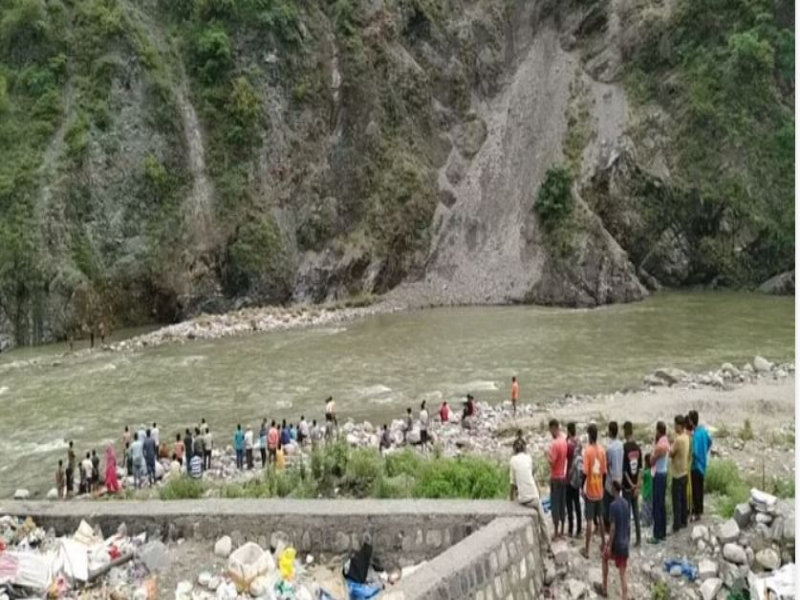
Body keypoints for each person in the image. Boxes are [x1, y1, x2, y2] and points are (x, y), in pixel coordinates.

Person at [509, 432, 550, 544]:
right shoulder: (528, 458)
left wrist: (511, 499)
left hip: (523, 499)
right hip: (534, 497)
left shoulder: (512, 460)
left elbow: (512, 483)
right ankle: (548, 545)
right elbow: (530, 476)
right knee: (543, 521)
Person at [599, 481, 630, 600]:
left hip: (617, 545)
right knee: (622, 574)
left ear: (613, 489)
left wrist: (609, 545)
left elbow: (612, 528)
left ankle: (604, 588)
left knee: (604, 556)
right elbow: (627, 526)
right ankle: (625, 596)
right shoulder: (626, 504)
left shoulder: (613, 506)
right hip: (625, 545)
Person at [581, 423, 607, 560]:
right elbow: (604, 472)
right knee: (601, 517)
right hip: (599, 490)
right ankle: (603, 544)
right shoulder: (602, 451)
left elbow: (585, 472)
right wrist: (601, 486)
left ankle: (586, 549)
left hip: (590, 490)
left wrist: (581, 486)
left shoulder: (588, 451)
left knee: (590, 520)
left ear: (589, 435)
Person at [622, 421, 643, 546]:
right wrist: (637, 485)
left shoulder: (624, 448)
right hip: (636, 487)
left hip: (627, 487)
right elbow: (640, 469)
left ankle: (628, 539)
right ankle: (639, 539)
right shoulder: (638, 448)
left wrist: (630, 484)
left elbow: (624, 471)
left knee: (627, 513)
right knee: (636, 513)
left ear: (625, 431)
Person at [547, 419, 568, 540]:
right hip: (563, 476)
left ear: (554, 428)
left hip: (555, 477)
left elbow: (552, 463)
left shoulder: (555, 444)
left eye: (550, 430)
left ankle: (556, 532)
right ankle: (562, 530)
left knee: (555, 504)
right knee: (562, 503)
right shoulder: (564, 440)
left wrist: (547, 456)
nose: (550, 432)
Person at [689, 410, 712, 520]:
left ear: (691, 421)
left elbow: (693, 452)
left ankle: (697, 512)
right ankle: (700, 509)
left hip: (696, 465)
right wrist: (705, 451)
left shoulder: (696, 435)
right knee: (700, 488)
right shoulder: (703, 431)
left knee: (696, 489)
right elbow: (710, 441)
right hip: (703, 464)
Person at [649, 421, 669, 543]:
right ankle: (663, 532)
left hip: (658, 475)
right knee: (661, 504)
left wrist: (653, 453)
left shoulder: (660, 446)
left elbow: (652, 461)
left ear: (658, 431)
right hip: (664, 473)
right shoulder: (666, 441)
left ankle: (657, 535)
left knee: (657, 504)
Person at [669, 415, 690, 532]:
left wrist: (670, 444)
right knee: (683, 499)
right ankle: (683, 521)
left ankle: (676, 525)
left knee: (676, 501)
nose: (674, 427)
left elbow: (671, 453)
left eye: (675, 425)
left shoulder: (678, 440)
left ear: (679, 426)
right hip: (685, 472)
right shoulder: (686, 437)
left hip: (677, 474)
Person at [604, 422, 624, 529]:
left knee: (608, 505)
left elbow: (606, 464)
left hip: (611, 480)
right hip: (619, 477)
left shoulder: (609, 448)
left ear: (610, 432)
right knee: (617, 501)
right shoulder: (621, 445)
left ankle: (609, 527)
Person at [566, 422, 583, 538]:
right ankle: (579, 528)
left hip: (569, 475)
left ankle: (571, 528)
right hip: (577, 477)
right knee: (577, 503)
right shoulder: (579, 443)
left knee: (569, 504)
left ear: (568, 431)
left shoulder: (568, 444)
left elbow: (566, 458)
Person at [684, 415, 694, 519]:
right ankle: (690, 508)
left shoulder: (686, 436)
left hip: (686, 463)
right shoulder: (692, 436)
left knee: (687, 487)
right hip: (690, 462)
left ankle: (688, 508)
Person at [640, 454, 654, 528]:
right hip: (651, 491)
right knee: (650, 507)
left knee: (645, 507)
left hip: (646, 492)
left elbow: (641, 477)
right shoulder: (652, 470)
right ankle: (650, 521)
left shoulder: (645, 472)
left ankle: (645, 522)